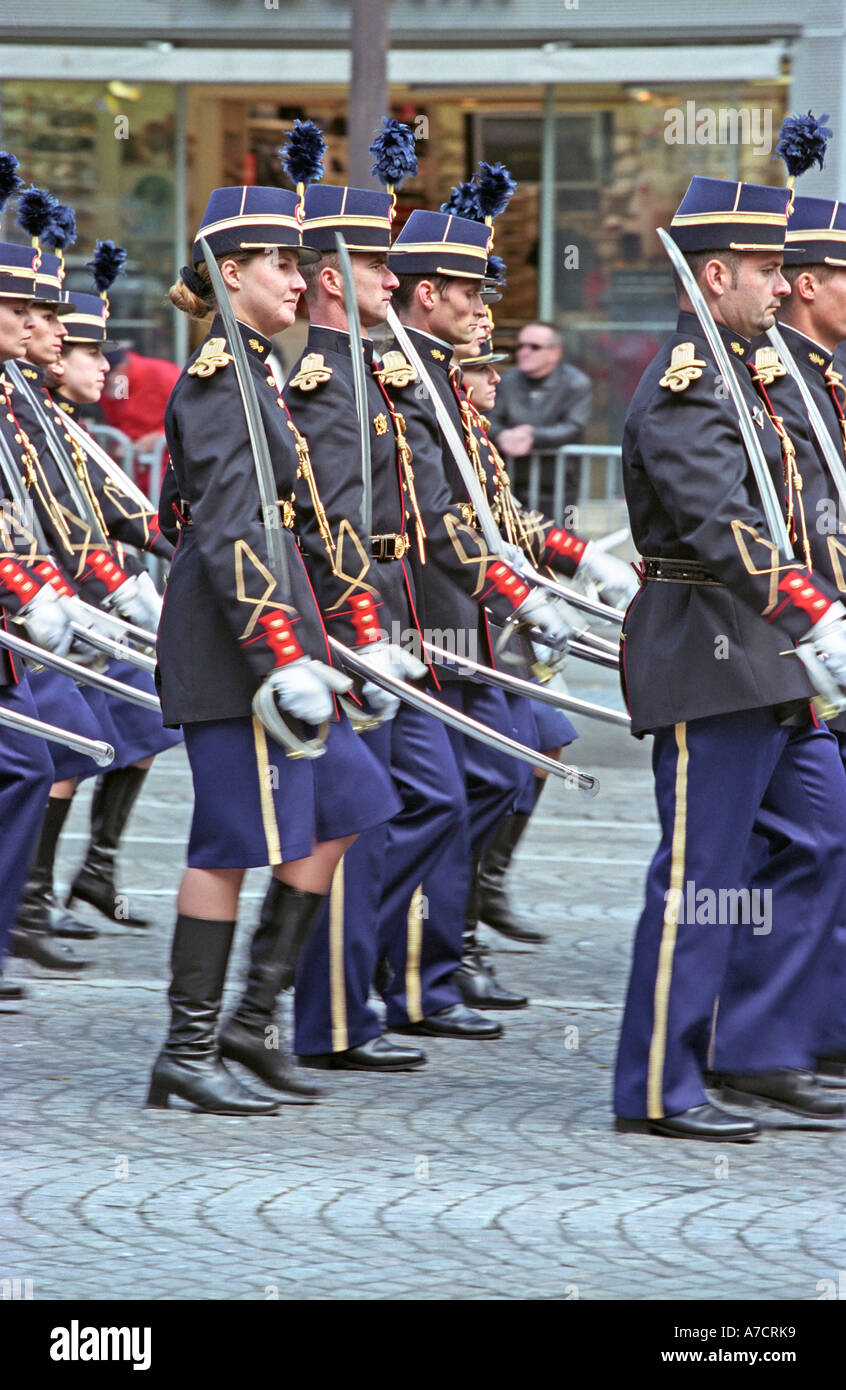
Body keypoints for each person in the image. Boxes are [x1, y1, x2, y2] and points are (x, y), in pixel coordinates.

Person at [148, 183, 400, 1114]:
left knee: (348, 802)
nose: (299, 280)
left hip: (282, 641)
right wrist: (281, 654)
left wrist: (362, 638)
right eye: (282, 265)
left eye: (298, 265)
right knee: (227, 843)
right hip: (235, 649)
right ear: (230, 274)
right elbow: (232, 531)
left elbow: (312, 523)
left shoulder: (260, 375)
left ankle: (252, 1022)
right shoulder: (222, 381)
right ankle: (189, 1045)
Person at [614, 175, 846, 1141]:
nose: (783, 285)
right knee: (699, 875)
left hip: (772, 661)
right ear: (716, 274)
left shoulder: (754, 373)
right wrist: (813, 613)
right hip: (708, 650)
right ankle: (658, 1086)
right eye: (764, 270)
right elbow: (722, 523)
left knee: (820, 837)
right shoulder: (688, 381)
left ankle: (756, 1046)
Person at [487, 321, 592, 508]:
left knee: (565, 533)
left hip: (560, 484)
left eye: (534, 347)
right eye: (520, 346)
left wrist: (532, 436)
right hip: (511, 481)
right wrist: (502, 435)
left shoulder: (576, 383)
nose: (524, 352)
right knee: (513, 536)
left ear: (555, 352)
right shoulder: (505, 381)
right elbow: (490, 420)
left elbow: (574, 426)